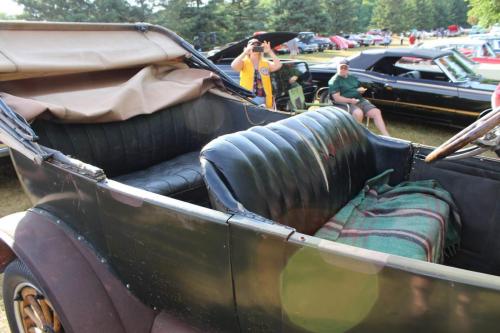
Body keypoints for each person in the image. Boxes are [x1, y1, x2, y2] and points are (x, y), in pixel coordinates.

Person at [328, 62, 390, 136]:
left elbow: (357, 88)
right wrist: (350, 100)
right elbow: (337, 98)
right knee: (358, 113)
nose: (343, 69)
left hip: (358, 100)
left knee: (376, 112)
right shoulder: (334, 81)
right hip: (344, 103)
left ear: (348, 68)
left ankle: (386, 135)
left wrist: (360, 90)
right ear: (337, 68)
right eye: (341, 67)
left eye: (345, 67)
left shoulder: (352, 77)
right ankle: (356, 135)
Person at [231, 39, 282, 108]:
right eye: (252, 45)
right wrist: (245, 52)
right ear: (247, 48)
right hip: (248, 99)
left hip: (265, 99)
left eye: (257, 46)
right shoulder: (243, 62)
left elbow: (278, 65)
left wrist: (269, 51)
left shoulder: (265, 63)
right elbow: (233, 66)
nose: (255, 47)